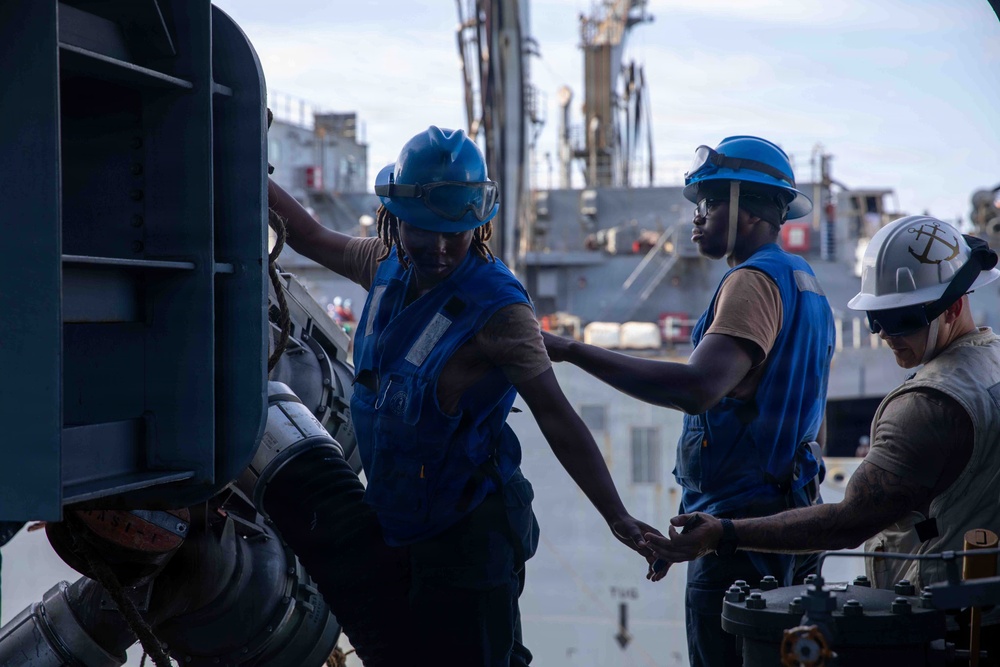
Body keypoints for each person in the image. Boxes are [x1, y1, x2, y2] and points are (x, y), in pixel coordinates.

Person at [267, 125, 658, 666]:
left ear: (480, 223)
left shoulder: (499, 308)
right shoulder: (385, 264)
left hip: (469, 536)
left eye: (457, 232)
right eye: (424, 230)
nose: (441, 248)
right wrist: (245, 164)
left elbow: (556, 416)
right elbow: (309, 236)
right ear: (394, 219)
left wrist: (618, 517)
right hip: (402, 520)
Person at [646, 215, 1000, 665]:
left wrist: (724, 533)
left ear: (954, 306)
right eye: (876, 319)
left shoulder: (929, 404)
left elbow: (848, 522)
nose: (887, 336)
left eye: (902, 320)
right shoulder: (991, 362)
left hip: (943, 630)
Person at [543, 135, 835, 667]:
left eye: (711, 202)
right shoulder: (806, 285)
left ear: (749, 209)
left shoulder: (751, 283)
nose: (696, 216)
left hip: (737, 542)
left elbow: (698, 389)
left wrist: (571, 350)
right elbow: (815, 423)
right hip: (789, 525)